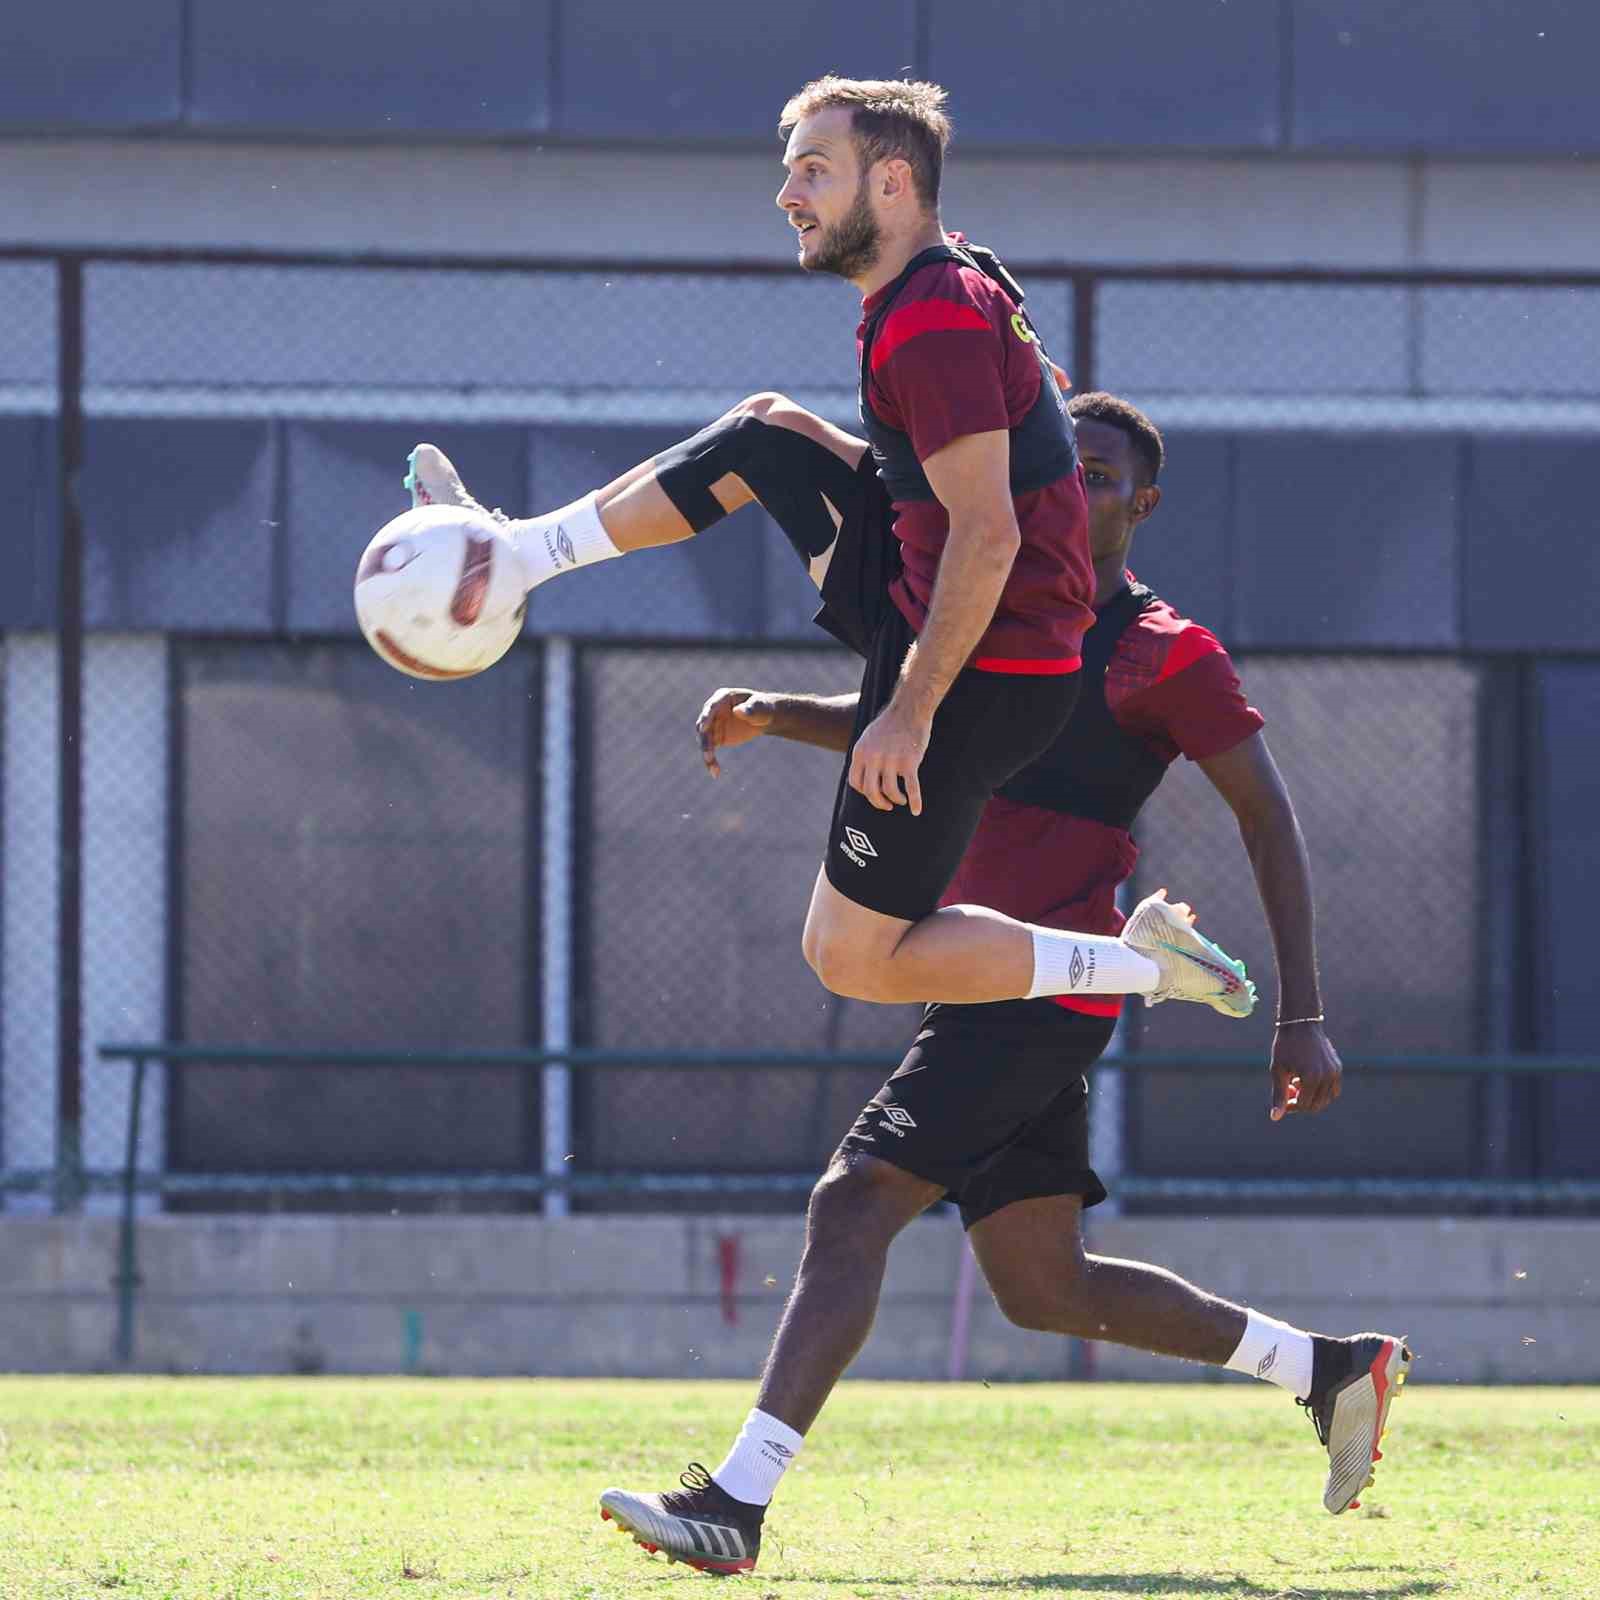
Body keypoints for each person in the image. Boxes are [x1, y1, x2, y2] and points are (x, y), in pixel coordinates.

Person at [593, 393, 1410, 1575]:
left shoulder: (1163, 650)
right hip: (970, 971)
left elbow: (1268, 817)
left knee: (854, 1200)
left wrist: (1305, 1013)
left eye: (1097, 474)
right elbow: (913, 728)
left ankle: (736, 1499)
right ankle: (1330, 1369)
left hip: (1046, 990)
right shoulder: (995, 611)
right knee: (1042, 1284)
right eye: (1055, 469)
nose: (1072, 488)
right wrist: (785, 714)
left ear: (1144, 502)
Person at [405, 74, 1256, 1022]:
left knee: (855, 960)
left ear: (891, 184)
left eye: (814, 170)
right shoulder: (949, 282)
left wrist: (908, 710)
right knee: (764, 433)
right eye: (790, 171)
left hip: (982, 667)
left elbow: (988, 532)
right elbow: (988, 470)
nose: (787, 195)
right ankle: (513, 554)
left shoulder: (935, 316)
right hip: (952, 604)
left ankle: (1144, 963)